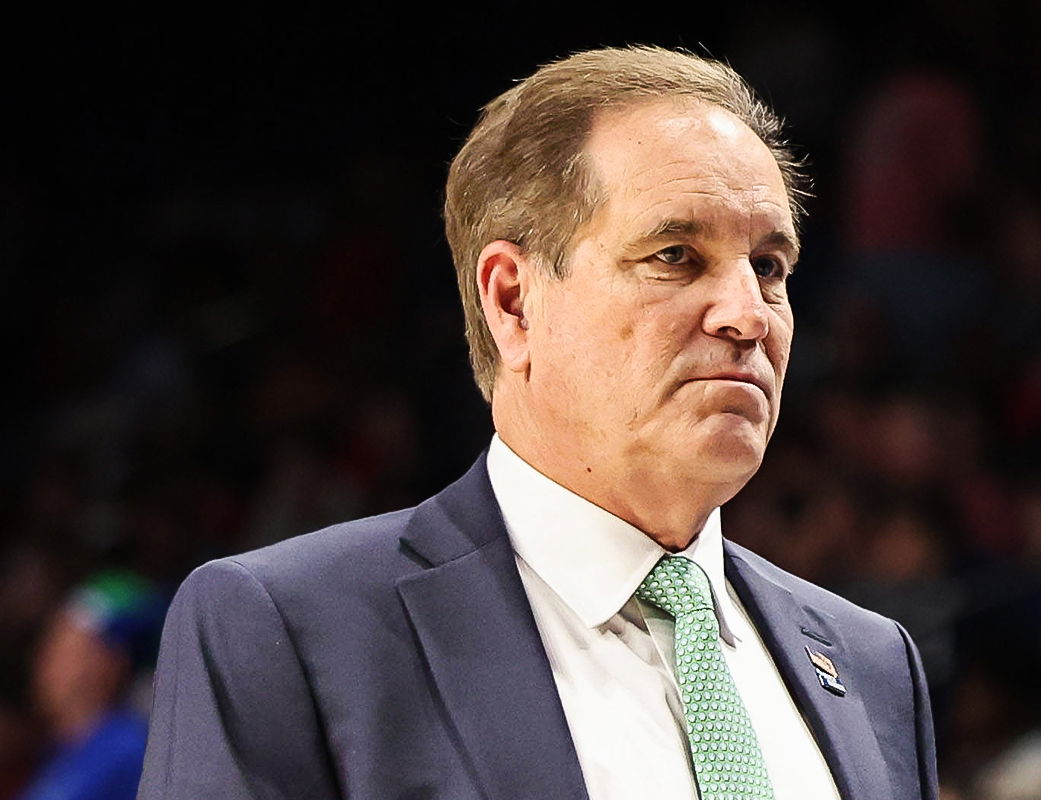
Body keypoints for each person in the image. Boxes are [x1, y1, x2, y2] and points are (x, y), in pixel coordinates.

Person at [138, 46, 938, 800]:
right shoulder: (292, 629)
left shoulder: (873, 666)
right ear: (513, 301)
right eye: (675, 256)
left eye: (768, 266)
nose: (748, 315)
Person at [19, 571, 167, 800]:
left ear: (109, 662)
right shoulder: (62, 751)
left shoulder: (129, 753)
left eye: (64, 647)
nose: (43, 661)